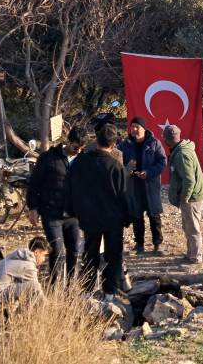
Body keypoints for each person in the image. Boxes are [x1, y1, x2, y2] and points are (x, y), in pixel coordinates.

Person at [66, 123, 133, 298]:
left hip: (89, 219)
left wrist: (75, 212)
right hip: (112, 220)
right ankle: (110, 292)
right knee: (113, 256)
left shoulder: (80, 162)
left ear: (96, 140)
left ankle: (86, 292)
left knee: (90, 254)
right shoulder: (115, 166)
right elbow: (124, 195)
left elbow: (70, 188)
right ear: (113, 144)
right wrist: (128, 217)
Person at [26, 126, 86, 285]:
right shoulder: (48, 158)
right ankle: (54, 286)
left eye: (81, 148)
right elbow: (34, 185)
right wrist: (33, 208)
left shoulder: (83, 159)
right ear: (68, 141)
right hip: (51, 214)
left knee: (74, 251)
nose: (78, 150)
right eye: (75, 147)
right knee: (57, 252)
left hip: (74, 215)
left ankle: (70, 287)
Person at [117, 117, 167, 256]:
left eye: (136, 127)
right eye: (132, 127)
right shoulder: (124, 145)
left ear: (143, 128)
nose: (133, 130)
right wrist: (127, 168)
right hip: (133, 185)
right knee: (137, 216)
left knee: (154, 215)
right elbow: (117, 161)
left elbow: (162, 162)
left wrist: (149, 172)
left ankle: (158, 244)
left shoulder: (154, 143)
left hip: (150, 184)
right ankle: (139, 245)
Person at [164, 124, 203, 265]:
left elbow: (189, 180)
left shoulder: (182, 154)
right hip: (191, 196)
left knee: (193, 228)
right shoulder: (182, 150)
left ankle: (195, 258)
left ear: (167, 139)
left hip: (192, 197)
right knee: (188, 227)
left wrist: (184, 199)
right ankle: (190, 254)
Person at [0, 236, 48, 307]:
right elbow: (36, 289)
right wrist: (47, 305)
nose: (44, 259)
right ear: (36, 252)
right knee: (34, 286)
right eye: (44, 255)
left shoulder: (18, 255)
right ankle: (44, 309)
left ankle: (12, 311)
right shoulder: (28, 266)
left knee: (21, 285)